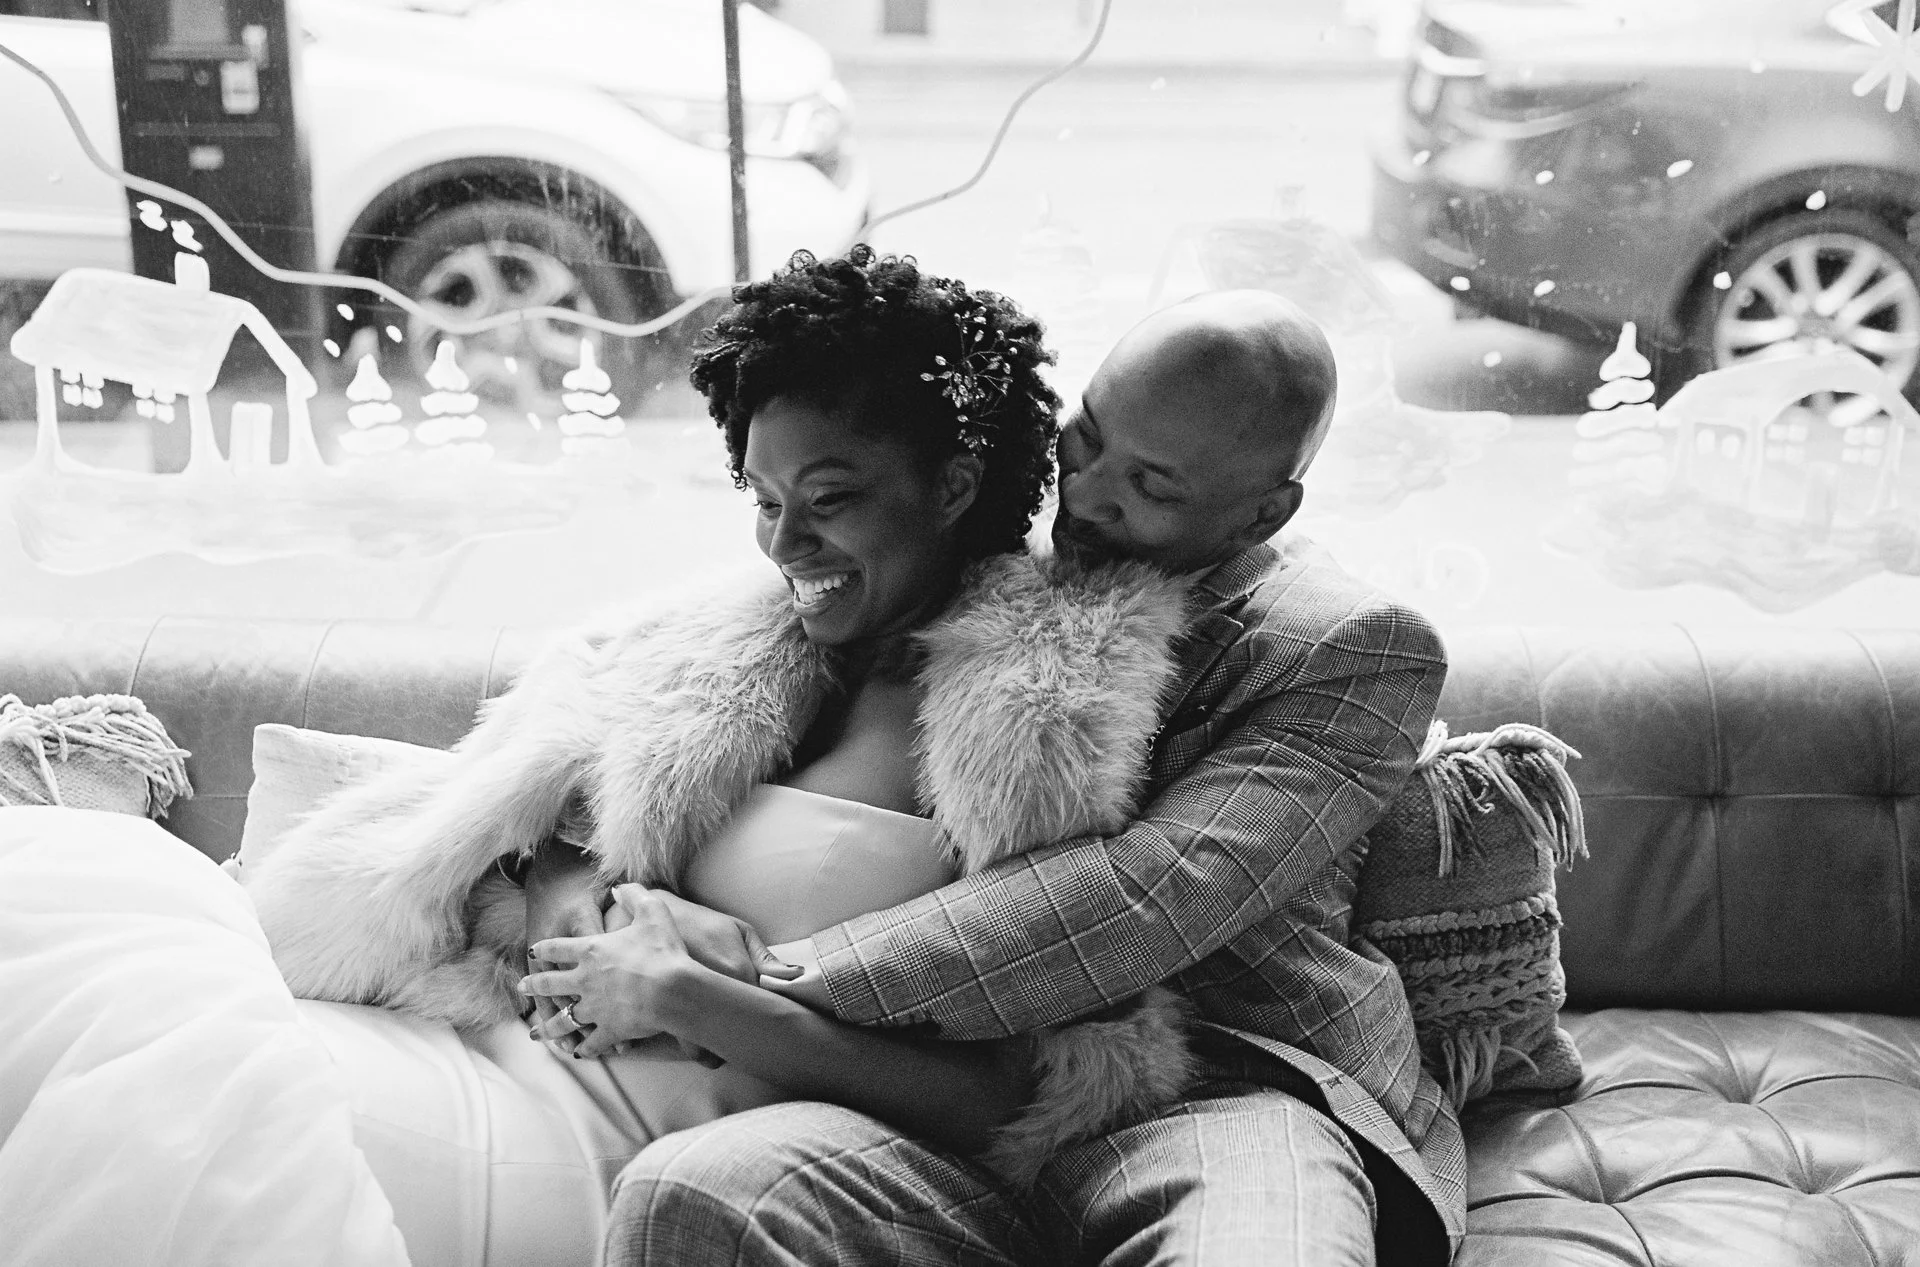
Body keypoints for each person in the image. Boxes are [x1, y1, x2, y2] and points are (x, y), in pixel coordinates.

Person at [230, 246, 1205, 1260]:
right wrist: (583, 914)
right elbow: (562, 833)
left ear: (954, 483)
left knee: (217, 1116)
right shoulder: (728, 642)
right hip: (487, 1048)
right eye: (762, 498)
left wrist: (693, 997)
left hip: (658, 1158)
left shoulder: (1039, 727)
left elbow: (1004, 1101)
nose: (785, 546)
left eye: (829, 500)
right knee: (181, 1038)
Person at [595, 289, 1465, 1266]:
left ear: (1267, 507)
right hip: (958, 1093)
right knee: (694, 1191)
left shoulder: (1350, 646)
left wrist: (748, 980)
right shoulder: (983, 551)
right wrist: (627, 901)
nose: (1088, 495)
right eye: (1087, 440)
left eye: (1153, 484)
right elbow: (710, 706)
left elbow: (1144, 894)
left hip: (1224, 1093)